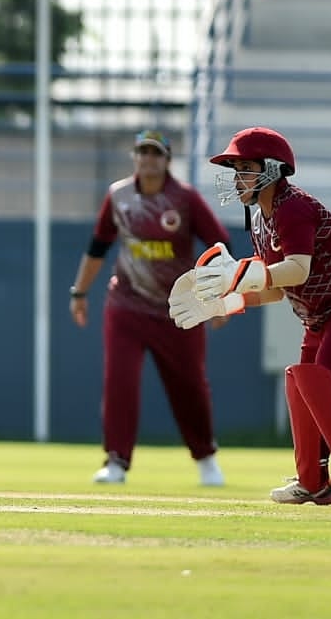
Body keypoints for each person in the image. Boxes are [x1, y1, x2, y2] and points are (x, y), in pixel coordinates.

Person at [169, 126, 331, 508]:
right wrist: (228, 301)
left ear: (272, 169)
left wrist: (243, 275)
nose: (238, 178)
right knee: (300, 381)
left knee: (324, 385)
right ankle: (314, 484)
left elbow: (298, 270)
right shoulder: (260, 219)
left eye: (245, 169)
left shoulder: (294, 207)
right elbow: (276, 288)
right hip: (320, 318)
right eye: (236, 170)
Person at [68, 129, 233, 487]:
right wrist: (79, 293)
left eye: (155, 153)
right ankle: (116, 461)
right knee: (119, 382)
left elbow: (221, 245)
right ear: (134, 158)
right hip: (126, 306)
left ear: (167, 159)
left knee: (189, 385)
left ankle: (205, 457)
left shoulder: (185, 198)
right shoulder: (119, 195)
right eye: (142, 152)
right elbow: (98, 246)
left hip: (180, 310)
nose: (148, 159)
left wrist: (218, 298)